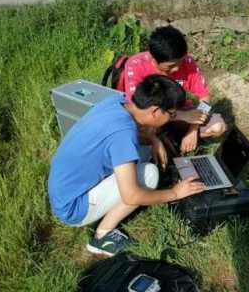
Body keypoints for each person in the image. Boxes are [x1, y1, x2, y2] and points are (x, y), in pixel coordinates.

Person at [48, 75, 206, 256]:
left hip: (63, 189)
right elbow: (132, 196)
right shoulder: (123, 135)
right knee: (149, 174)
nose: (172, 117)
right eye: (171, 114)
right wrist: (175, 193)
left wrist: (153, 139)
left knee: (144, 151)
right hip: (73, 207)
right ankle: (102, 237)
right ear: (155, 111)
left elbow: (120, 135)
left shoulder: (116, 102)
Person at [116, 25, 226, 154]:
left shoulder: (188, 62)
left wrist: (192, 130)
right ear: (153, 58)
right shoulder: (136, 64)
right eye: (171, 66)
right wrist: (181, 116)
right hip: (151, 117)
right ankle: (162, 140)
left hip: (179, 113)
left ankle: (175, 138)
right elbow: (139, 108)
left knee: (218, 127)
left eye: (181, 61)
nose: (177, 69)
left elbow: (204, 97)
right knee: (137, 128)